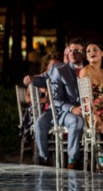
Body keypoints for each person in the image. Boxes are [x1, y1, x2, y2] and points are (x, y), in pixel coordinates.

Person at [35, 37, 85, 169]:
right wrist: (32, 80)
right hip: (58, 109)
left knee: (76, 121)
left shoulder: (88, 69)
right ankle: (44, 161)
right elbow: (42, 80)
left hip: (78, 110)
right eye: (69, 52)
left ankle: (73, 161)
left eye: (76, 51)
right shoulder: (58, 69)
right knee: (40, 122)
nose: (71, 54)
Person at [19, 51, 61, 140]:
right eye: (52, 66)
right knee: (34, 114)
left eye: (58, 66)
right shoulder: (37, 78)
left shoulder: (57, 80)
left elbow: (49, 100)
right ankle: (36, 147)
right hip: (35, 109)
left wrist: (39, 100)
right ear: (46, 66)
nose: (56, 68)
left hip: (48, 110)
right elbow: (27, 98)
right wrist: (40, 101)